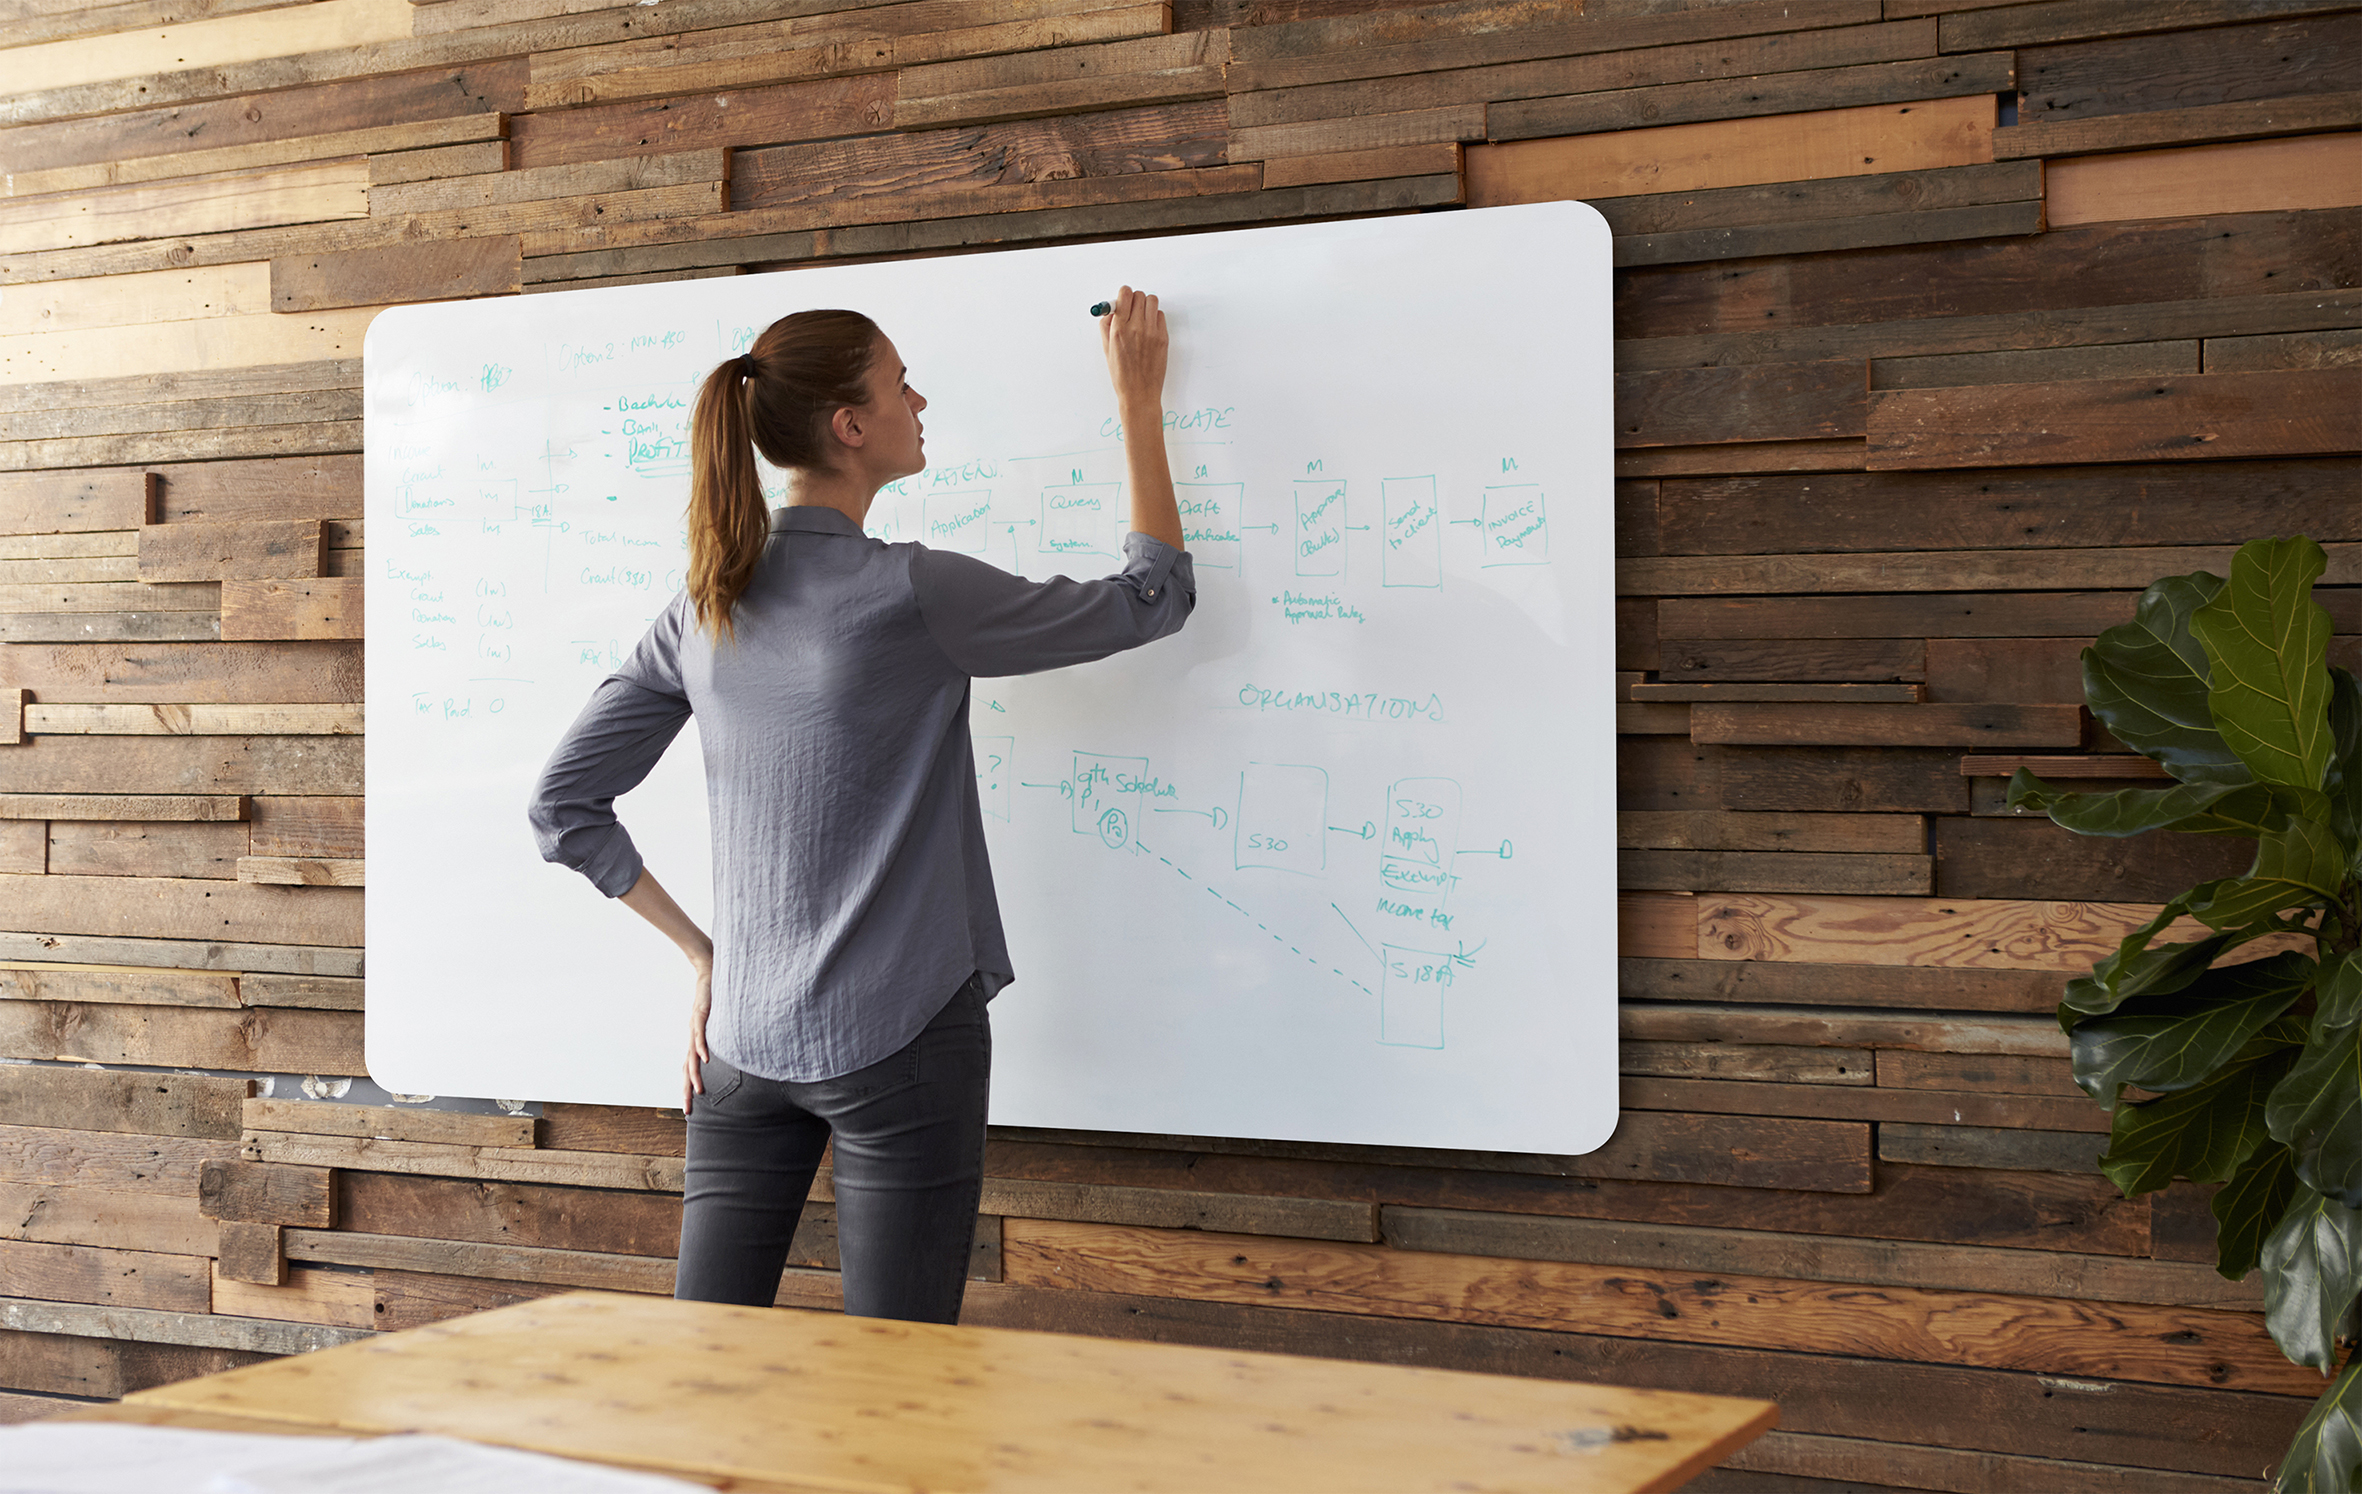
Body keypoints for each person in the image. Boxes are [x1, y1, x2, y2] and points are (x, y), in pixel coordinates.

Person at [526, 288, 1192, 1324]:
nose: (918, 400)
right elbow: (1152, 601)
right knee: (901, 1384)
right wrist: (1140, 402)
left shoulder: (700, 608)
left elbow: (564, 809)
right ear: (851, 427)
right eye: (899, 383)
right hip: (904, 1048)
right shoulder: (913, 593)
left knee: (709, 1361)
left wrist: (708, 959)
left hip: (742, 1047)